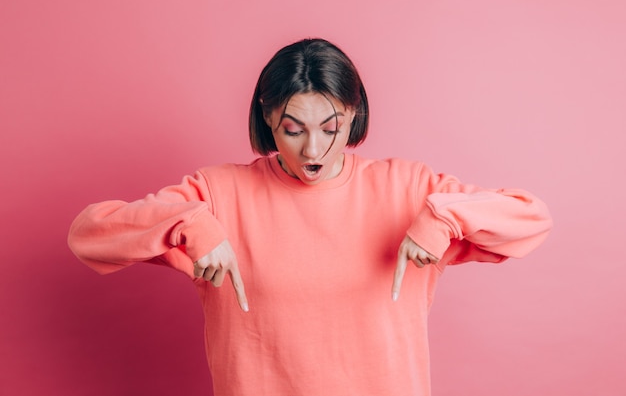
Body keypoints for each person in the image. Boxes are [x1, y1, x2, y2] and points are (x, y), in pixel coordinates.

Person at [68, 38, 552, 396]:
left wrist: (444, 219)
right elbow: (89, 234)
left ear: (354, 111)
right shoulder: (217, 193)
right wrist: (188, 224)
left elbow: (530, 218)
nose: (313, 150)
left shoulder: (408, 188)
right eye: (293, 129)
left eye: (330, 128)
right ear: (267, 114)